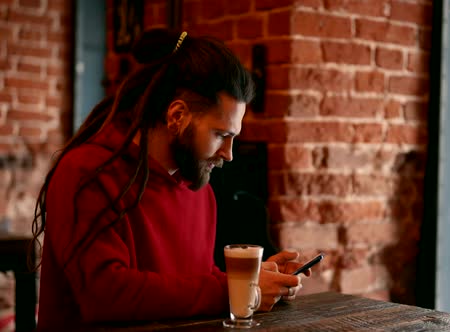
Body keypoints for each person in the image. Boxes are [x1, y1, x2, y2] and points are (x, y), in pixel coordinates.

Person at [31, 28, 308, 330]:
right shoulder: (85, 172)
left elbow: (186, 286)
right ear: (177, 116)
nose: (229, 154)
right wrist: (236, 291)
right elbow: (106, 295)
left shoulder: (199, 188)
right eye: (221, 135)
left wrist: (254, 281)